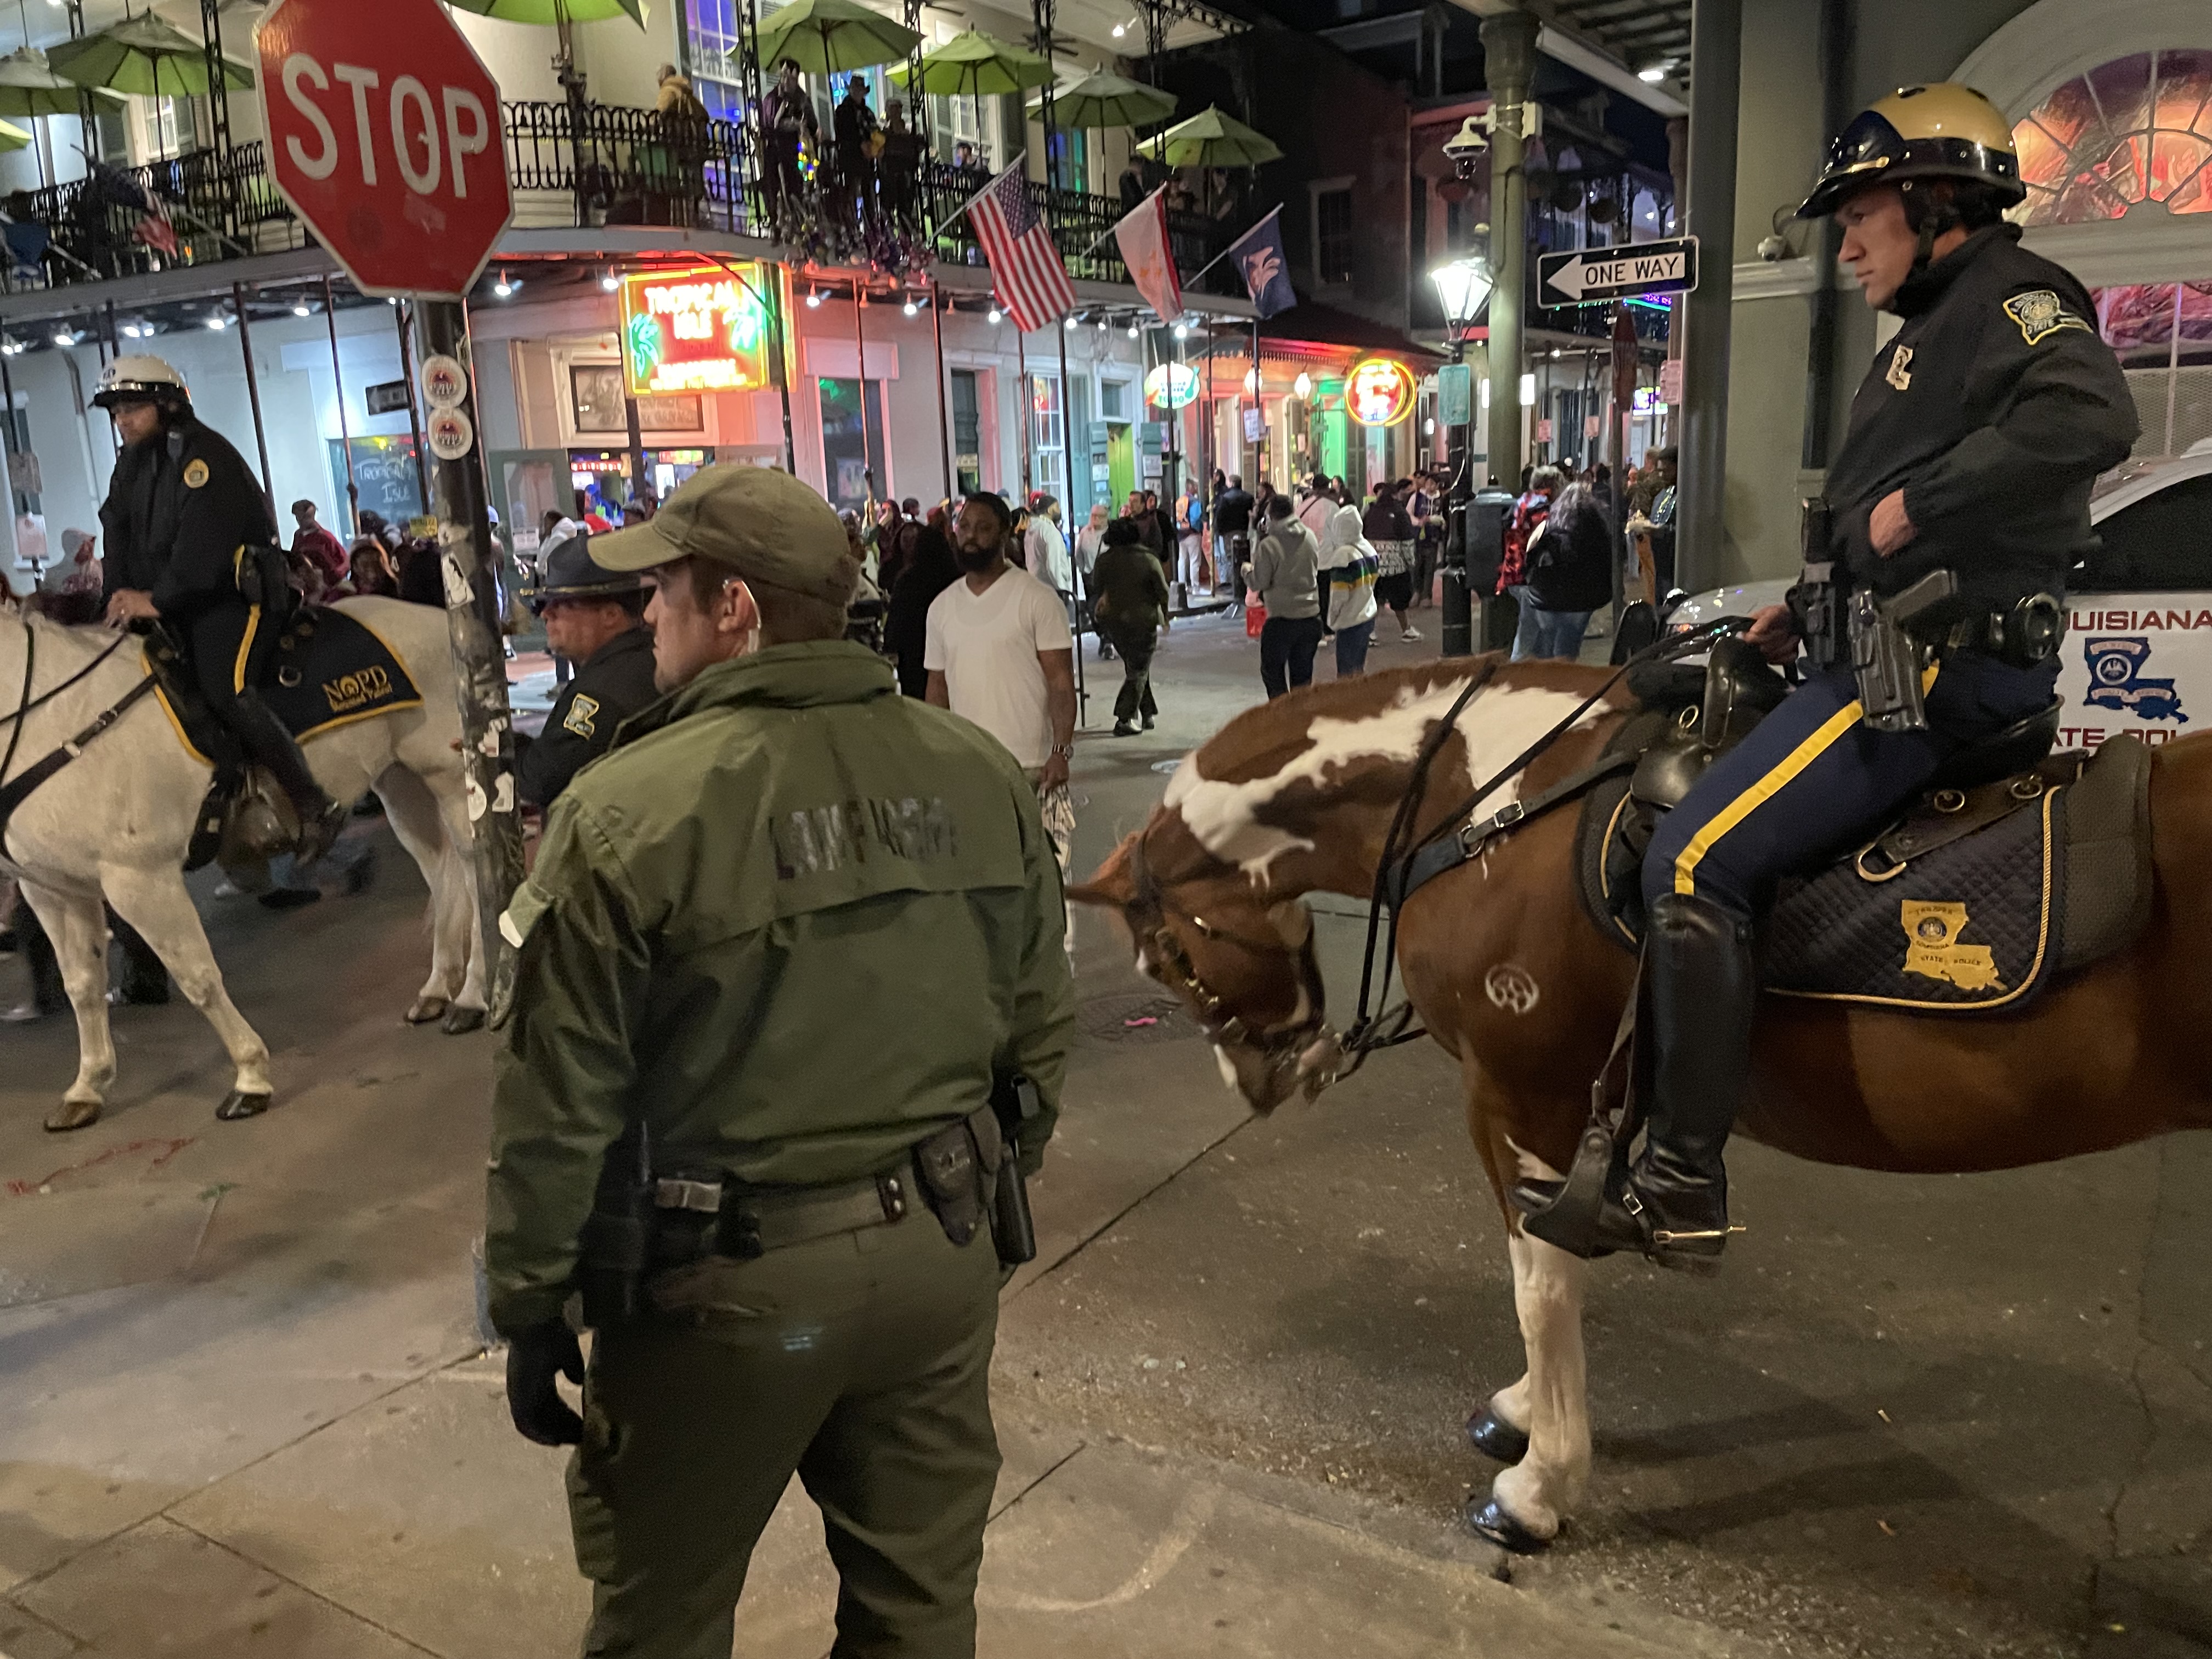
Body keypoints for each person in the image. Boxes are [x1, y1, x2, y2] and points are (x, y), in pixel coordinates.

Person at [1516, 83, 2138, 1272]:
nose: (1847, 243)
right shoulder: (1933, 331)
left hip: (1933, 681)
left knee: (1695, 852)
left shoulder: (2011, 296)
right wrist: (1797, 619)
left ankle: (1680, 1181)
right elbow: (1867, 540)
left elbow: (2093, 415)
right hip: (1874, 648)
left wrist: (1923, 503)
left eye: (1863, 215)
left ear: (1939, 201)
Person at [486, 463, 1074, 1658]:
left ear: (736, 608)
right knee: (916, 1609)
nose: (648, 614)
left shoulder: (625, 812)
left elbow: (558, 1103)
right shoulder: (976, 775)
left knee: (666, 1613)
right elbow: (1039, 1032)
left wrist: (529, 1298)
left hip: (720, 1293)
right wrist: (968, 1196)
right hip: (938, 1255)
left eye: (664, 591)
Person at [92, 356, 346, 864]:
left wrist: (157, 599)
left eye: (133, 407)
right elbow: (116, 534)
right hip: (173, 602)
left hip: (234, 598)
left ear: (167, 405)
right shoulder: (130, 465)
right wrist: (117, 598)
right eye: (117, 410)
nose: (122, 419)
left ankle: (314, 803)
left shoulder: (204, 457)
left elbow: (204, 547)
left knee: (223, 688)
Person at [924, 491, 1079, 887]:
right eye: (964, 527)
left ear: (1006, 533)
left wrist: (1061, 751)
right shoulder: (941, 608)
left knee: (1043, 880)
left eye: (983, 527)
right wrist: (936, 756)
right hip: (970, 768)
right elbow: (937, 690)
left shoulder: (1037, 600)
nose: (971, 536)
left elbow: (1061, 684)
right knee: (982, 882)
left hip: (1032, 768)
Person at [514, 537, 660, 809]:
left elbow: (541, 780)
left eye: (564, 604)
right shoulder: (644, 659)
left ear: (610, 615)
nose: (546, 614)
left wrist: (502, 747)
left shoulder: (600, 694)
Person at [1514, 478, 1613, 660]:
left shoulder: (1549, 524)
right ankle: (1564, 671)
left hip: (1549, 594)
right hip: (1584, 597)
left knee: (1547, 640)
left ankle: (1548, 674)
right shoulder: (1597, 527)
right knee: (1569, 643)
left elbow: (1531, 555)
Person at [1088, 516, 1169, 736]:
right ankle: (1124, 718)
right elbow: (1162, 590)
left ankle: (1147, 713)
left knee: (1136, 667)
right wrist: (1166, 615)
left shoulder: (1105, 560)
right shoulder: (1148, 559)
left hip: (1115, 622)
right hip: (1144, 620)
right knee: (1139, 669)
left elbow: (1096, 585)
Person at [1250, 493, 1323, 698]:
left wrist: (1247, 571)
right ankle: (1299, 721)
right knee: (1302, 679)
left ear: (1272, 516)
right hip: (1310, 618)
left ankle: (1282, 718)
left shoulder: (1270, 545)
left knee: (1273, 673)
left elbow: (1260, 582)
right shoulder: (1309, 537)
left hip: (1282, 619)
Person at [884, 522, 960, 698]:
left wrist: (891, 644)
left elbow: (897, 618)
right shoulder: (955, 579)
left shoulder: (908, 580)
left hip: (913, 651)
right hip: (948, 647)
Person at [1498, 466, 1563, 657]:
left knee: (1536, 629)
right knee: (1531, 630)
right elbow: (1546, 542)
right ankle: (1516, 674)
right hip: (1530, 577)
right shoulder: (1542, 509)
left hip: (1514, 573)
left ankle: (1538, 669)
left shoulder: (1523, 502)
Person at [1315, 500, 1378, 679]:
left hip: (1349, 619)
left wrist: (1332, 620)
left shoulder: (1343, 555)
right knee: (1358, 667)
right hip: (1367, 613)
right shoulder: (1368, 548)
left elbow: (1339, 595)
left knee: (1346, 672)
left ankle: (1350, 704)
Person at [760, 57, 817, 233]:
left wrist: (805, 127)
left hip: (796, 153)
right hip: (776, 152)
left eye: (791, 78)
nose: (787, 81)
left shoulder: (802, 99)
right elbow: (770, 125)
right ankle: (776, 221)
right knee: (776, 187)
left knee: (797, 188)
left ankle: (798, 221)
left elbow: (813, 126)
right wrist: (791, 122)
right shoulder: (772, 99)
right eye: (784, 77)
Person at [1363, 479, 1419, 643]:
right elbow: (1407, 542)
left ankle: (1370, 633)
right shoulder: (1400, 513)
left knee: (1375, 599)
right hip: (1396, 566)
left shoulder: (1371, 512)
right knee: (1399, 601)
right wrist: (1411, 563)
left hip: (1373, 565)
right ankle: (1407, 630)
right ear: (1395, 495)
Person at [831, 76, 878, 231]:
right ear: (850, 90)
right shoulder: (843, 111)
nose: (858, 92)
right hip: (850, 161)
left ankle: (871, 228)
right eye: (855, 89)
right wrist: (860, 144)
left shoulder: (868, 113)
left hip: (867, 162)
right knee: (850, 194)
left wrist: (875, 146)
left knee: (869, 196)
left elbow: (875, 131)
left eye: (861, 90)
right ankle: (851, 228)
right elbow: (844, 134)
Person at [1212, 472, 1254, 607]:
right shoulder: (1248, 497)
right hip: (1244, 530)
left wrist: (1219, 531)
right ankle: (1243, 586)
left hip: (1229, 532)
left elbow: (1220, 517)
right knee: (1244, 559)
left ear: (1231, 483)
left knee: (1231, 559)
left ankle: (1235, 588)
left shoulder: (1225, 498)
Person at [880, 99, 922, 232]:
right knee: (888, 212)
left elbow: (918, 149)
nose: (894, 112)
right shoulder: (884, 134)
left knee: (905, 211)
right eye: (891, 108)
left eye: (897, 108)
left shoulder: (909, 134)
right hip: (889, 177)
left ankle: (907, 240)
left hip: (906, 177)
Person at [289, 500, 347, 595]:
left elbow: (344, 562)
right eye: (298, 517)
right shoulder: (298, 535)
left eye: (303, 517)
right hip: (305, 588)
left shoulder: (326, 538)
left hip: (324, 590)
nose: (300, 521)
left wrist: (331, 582)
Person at [1023, 493, 1071, 599]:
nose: (1059, 510)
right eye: (1057, 507)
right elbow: (1054, 566)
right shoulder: (1050, 531)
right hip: (1052, 591)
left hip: (1037, 587)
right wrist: (1063, 589)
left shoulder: (1032, 530)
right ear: (1049, 510)